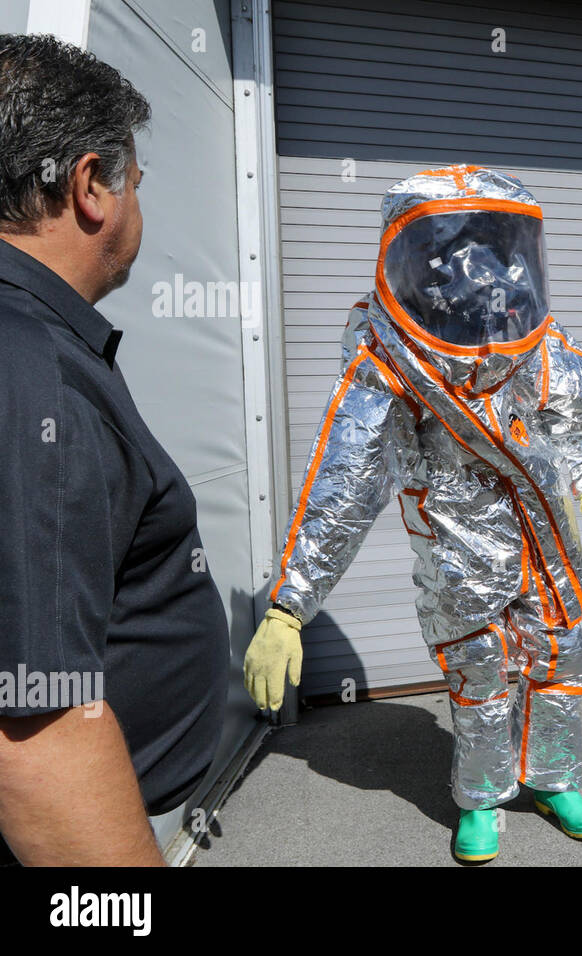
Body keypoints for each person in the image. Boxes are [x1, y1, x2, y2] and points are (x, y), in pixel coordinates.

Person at [243, 164, 582, 862]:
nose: (483, 268)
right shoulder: (388, 354)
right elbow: (346, 476)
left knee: (560, 652)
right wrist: (290, 603)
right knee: (479, 664)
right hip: (455, 532)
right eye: (461, 247)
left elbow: (575, 401)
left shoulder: (528, 330)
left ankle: (554, 779)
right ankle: (482, 799)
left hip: (540, 524)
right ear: (417, 256)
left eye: (497, 244)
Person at [0, 35, 229, 865]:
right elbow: (36, 726)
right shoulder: (32, 376)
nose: (140, 208)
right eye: (136, 184)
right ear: (92, 187)